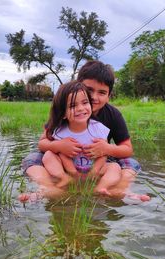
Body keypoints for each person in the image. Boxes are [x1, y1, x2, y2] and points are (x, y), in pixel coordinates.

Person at [21, 60, 150, 202]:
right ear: (78, 87)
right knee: (32, 159)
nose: (94, 97)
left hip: (97, 161)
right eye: (89, 90)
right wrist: (58, 146)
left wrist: (106, 148)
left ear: (109, 95)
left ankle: (120, 189)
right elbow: (42, 143)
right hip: (65, 162)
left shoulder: (113, 115)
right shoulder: (65, 111)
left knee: (131, 163)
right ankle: (48, 187)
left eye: (102, 92)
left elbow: (127, 150)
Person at [19, 81, 121, 201]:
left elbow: (104, 153)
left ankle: (102, 187)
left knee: (114, 167)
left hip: (93, 169)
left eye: (85, 102)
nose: (81, 108)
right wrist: (72, 172)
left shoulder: (98, 128)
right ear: (63, 114)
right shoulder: (60, 131)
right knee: (49, 154)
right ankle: (61, 180)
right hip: (67, 170)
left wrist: (94, 171)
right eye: (73, 106)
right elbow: (62, 154)